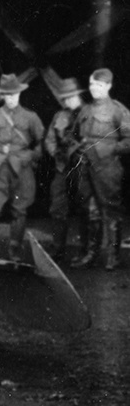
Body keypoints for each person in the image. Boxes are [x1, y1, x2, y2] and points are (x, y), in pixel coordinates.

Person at [71, 68, 130, 270]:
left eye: (99, 85)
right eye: (92, 84)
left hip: (107, 167)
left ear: (109, 86)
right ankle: (90, 255)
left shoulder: (118, 110)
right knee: (89, 211)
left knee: (111, 211)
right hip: (86, 165)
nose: (94, 88)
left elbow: (129, 141)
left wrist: (108, 149)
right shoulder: (85, 110)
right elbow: (75, 134)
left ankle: (113, 257)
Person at [0, 74, 44, 261]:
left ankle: (14, 250)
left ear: (19, 94)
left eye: (14, 94)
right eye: (7, 95)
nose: (11, 98)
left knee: (20, 210)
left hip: (22, 168)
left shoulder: (30, 117)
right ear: (2, 96)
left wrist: (30, 156)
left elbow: (42, 143)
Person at [44, 78, 88, 261]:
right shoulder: (59, 115)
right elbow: (49, 138)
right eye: (65, 98)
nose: (68, 101)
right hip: (62, 166)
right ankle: (58, 247)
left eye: (71, 96)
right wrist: (56, 152)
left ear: (79, 94)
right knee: (57, 207)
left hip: (82, 165)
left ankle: (85, 250)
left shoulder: (89, 113)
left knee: (85, 207)